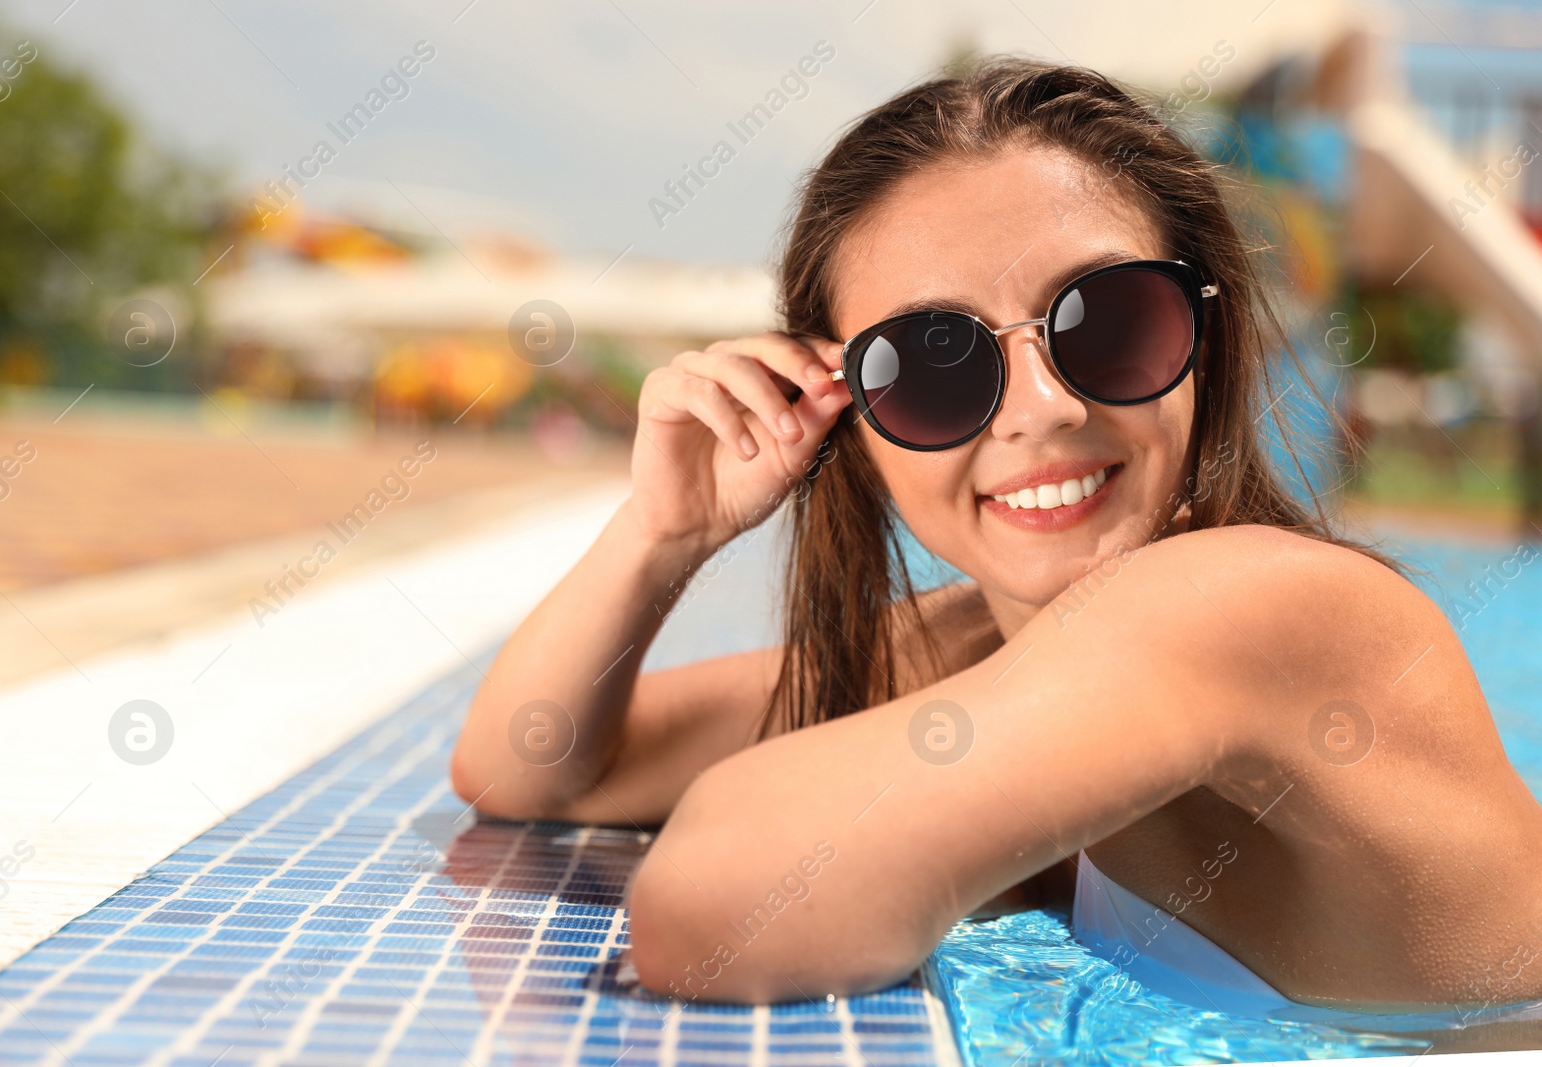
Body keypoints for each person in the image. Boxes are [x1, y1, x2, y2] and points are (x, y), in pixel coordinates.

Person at [450, 59, 1542, 1021]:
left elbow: (710, 903)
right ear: (842, 411)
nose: (1039, 407)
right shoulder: (986, 643)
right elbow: (529, 763)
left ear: (1201, 339)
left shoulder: (1251, 606)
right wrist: (663, 530)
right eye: (933, 361)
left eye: (1106, 322)